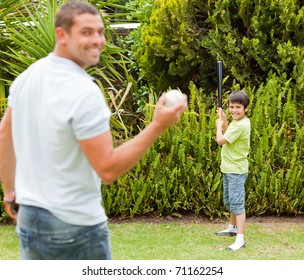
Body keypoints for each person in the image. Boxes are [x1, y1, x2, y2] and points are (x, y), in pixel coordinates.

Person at [0, 1, 187, 260]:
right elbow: (107, 169)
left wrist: (10, 193)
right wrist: (157, 126)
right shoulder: (84, 92)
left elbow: (4, 133)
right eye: (86, 32)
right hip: (75, 224)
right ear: (61, 35)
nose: (98, 40)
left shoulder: (28, 77)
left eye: (100, 31)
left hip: (31, 218)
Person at [215, 90, 250, 251]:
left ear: (246, 108)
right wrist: (224, 120)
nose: (234, 110)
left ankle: (240, 239)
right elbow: (229, 132)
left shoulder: (242, 125)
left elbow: (221, 140)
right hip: (230, 168)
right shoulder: (238, 122)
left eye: (238, 107)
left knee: (237, 204)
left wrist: (218, 127)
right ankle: (232, 227)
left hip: (236, 170)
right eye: (231, 107)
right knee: (230, 201)